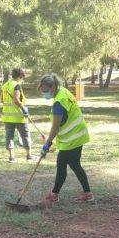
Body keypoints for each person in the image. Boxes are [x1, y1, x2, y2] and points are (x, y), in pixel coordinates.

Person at [38, 74, 94, 203]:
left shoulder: (59, 103)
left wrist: (47, 144)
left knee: (61, 164)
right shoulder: (63, 91)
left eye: (45, 91)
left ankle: (54, 195)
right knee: (75, 165)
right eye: (42, 91)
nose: (44, 94)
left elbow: (56, 127)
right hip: (77, 134)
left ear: (53, 87)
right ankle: (88, 193)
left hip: (73, 139)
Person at [0, 68, 34, 163]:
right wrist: (24, 109)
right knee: (25, 135)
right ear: (19, 76)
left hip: (7, 116)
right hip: (19, 116)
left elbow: (2, 100)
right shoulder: (17, 85)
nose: (22, 79)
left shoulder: (5, 85)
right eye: (22, 77)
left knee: (9, 136)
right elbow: (16, 100)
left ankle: (12, 157)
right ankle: (29, 156)